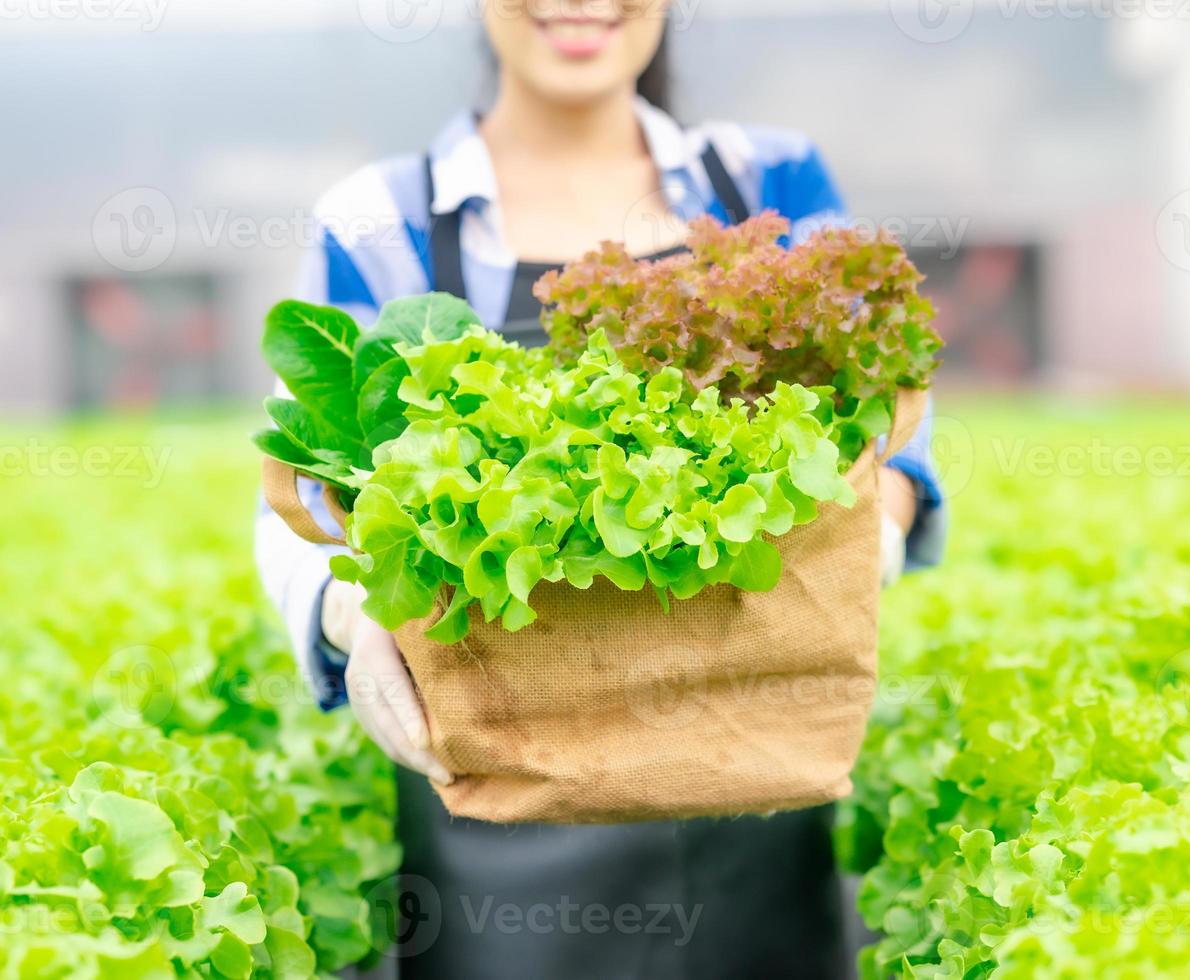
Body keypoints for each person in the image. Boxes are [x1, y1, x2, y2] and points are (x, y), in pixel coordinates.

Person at [255, 2, 947, 976]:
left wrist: (875, 520)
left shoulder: (767, 178)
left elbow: (890, 396)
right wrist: (348, 614)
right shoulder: (378, 217)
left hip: (752, 797)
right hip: (497, 824)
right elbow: (301, 491)